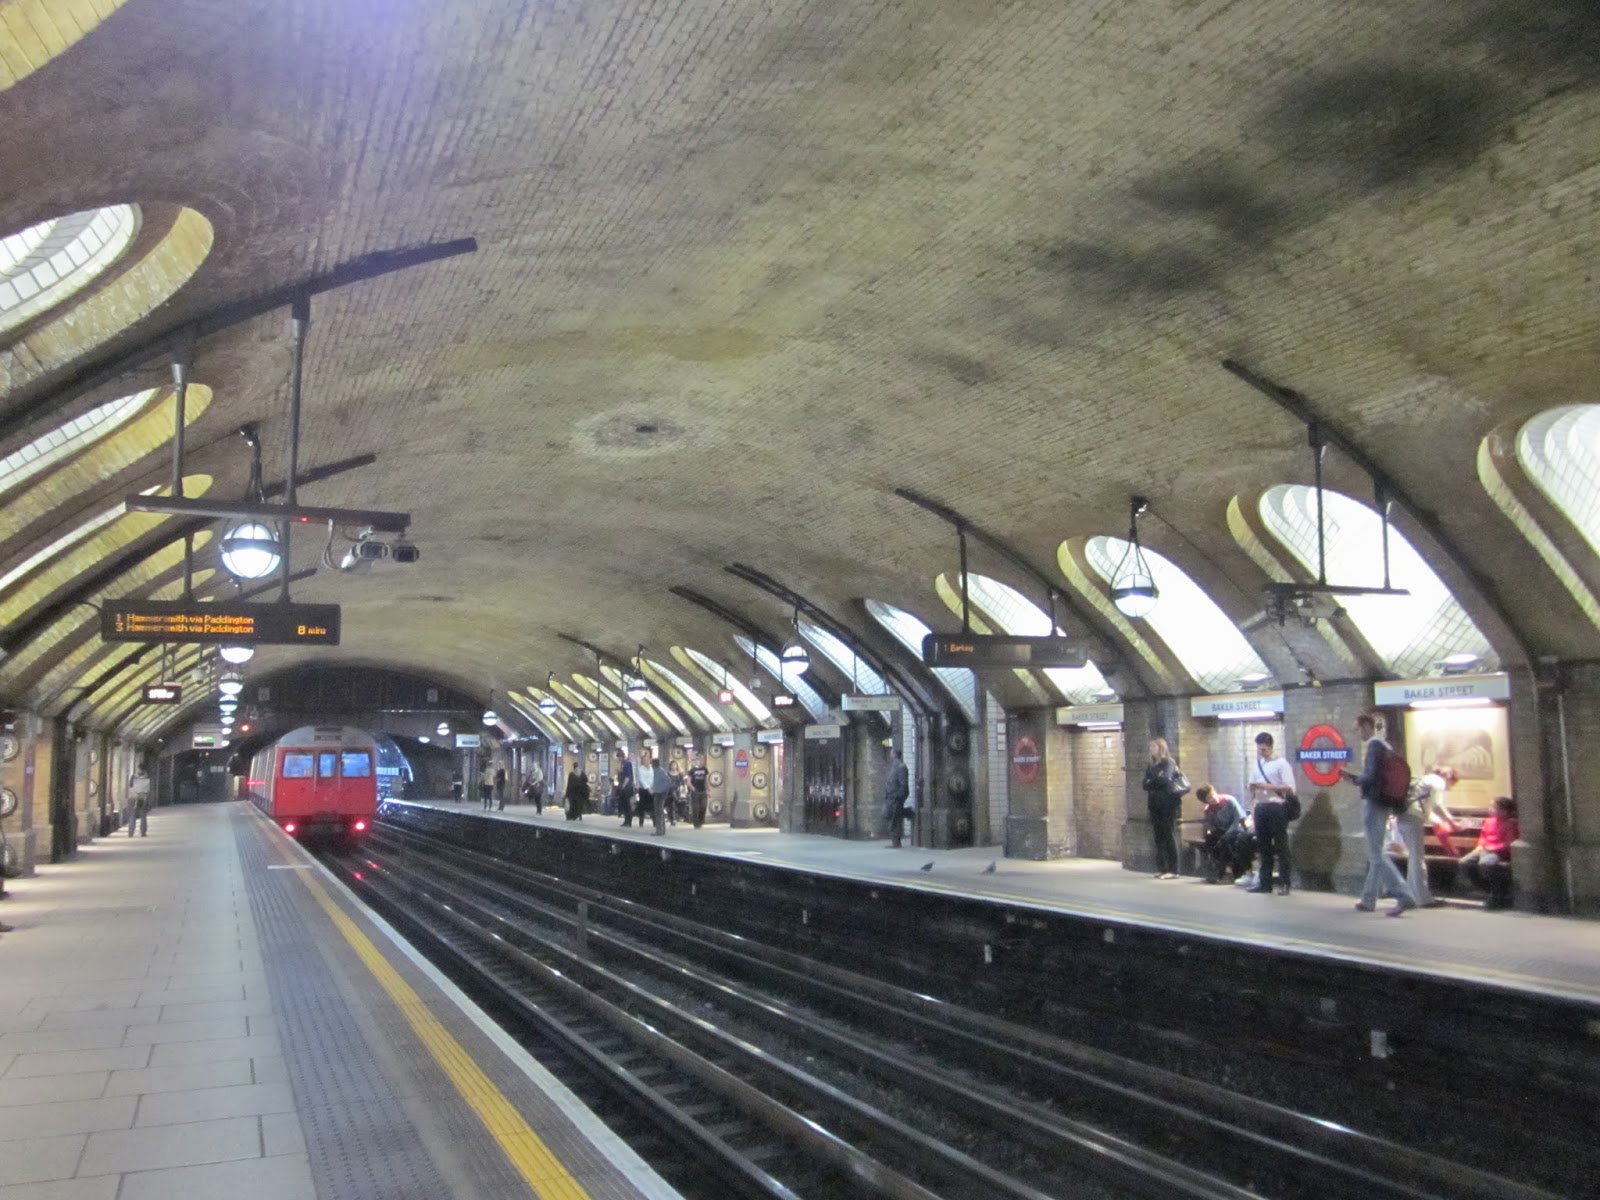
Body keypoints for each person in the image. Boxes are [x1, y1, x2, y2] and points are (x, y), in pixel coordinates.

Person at [1341, 713, 1418, 916]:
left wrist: (1352, 779)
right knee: (1376, 853)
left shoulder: (1374, 746)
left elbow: (1371, 777)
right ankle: (1368, 899)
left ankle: (1404, 895)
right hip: (1384, 802)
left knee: (1376, 853)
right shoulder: (1385, 746)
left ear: (1366, 726)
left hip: (1374, 802)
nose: (1357, 735)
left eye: (1357, 729)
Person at [1396, 765, 1459, 907]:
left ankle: (1412, 895)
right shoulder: (1438, 781)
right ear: (1448, 777)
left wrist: (1442, 822)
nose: (1449, 786)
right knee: (1417, 859)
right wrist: (1453, 822)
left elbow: (1429, 811)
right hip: (1413, 817)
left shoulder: (1424, 780)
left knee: (1413, 858)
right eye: (1451, 783)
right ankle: (1424, 899)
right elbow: (1438, 806)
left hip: (1404, 816)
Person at [1246, 731, 1297, 895]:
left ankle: (1284, 883)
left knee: (1281, 847)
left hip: (1277, 807)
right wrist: (1252, 790)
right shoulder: (1257, 764)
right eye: (1259, 749)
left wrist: (1266, 786)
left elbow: (1290, 787)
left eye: (1264, 749)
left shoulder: (1282, 764)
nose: (1262, 752)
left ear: (1271, 747)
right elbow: (1252, 786)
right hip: (1261, 807)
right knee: (1263, 847)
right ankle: (1265, 883)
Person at [1460, 797, 1518, 910]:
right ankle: (1485, 888)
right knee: (1464, 863)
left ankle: (1496, 893)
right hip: (1484, 848)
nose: (1490, 809)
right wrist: (1479, 846)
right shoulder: (1489, 821)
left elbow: (1509, 842)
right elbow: (1483, 836)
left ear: (1504, 811)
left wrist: (1493, 848)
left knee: (1485, 864)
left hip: (1498, 852)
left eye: (1494, 807)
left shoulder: (1510, 824)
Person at [1141, 738, 1187, 879]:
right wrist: (1154, 780)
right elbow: (1144, 784)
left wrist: (1152, 781)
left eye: (1153, 747)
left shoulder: (1169, 762)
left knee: (1168, 835)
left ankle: (1173, 870)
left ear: (1161, 748)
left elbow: (1166, 779)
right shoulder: (1152, 765)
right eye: (1150, 747)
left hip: (1168, 805)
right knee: (1158, 837)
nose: (1151, 749)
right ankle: (1163, 868)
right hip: (1154, 805)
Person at [1197, 785, 1250, 884]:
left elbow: (1238, 819)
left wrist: (1228, 833)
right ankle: (1216, 870)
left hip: (1236, 829)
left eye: (1212, 795)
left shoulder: (1229, 801)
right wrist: (1211, 829)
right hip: (1222, 830)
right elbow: (1210, 824)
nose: (1212, 799)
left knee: (1225, 841)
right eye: (1209, 798)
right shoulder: (1209, 809)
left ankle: (1231, 872)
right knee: (1210, 840)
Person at [882, 750, 911, 848]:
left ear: (894, 755)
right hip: (892, 797)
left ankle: (896, 843)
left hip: (896, 798)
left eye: (891, 753)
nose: (890, 755)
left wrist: (898, 796)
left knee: (895, 820)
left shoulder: (900, 767)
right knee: (890, 816)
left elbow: (903, 785)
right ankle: (908, 812)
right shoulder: (894, 766)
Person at [650, 753, 673, 835]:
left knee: (658, 812)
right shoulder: (659, 771)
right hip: (659, 792)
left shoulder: (659, 771)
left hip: (659, 794)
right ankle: (662, 830)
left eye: (652, 763)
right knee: (659, 812)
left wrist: (662, 790)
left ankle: (659, 830)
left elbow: (668, 781)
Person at [632, 752, 656, 829]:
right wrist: (648, 788)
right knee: (642, 806)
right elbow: (641, 779)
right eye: (644, 760)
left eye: (648, 759)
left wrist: (653, 787)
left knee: (653, 806)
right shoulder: (640, 769)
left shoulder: (653, 768)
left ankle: (655, 822)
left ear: (650, 760)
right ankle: (641, 821)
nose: (646, 761)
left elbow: (654, 778)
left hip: (652, 789)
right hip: (643, 790)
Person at [127, 766, 152, 838]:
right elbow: (148, 789)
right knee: (143, 815)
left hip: (133, 797)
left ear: (138, 769)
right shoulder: (147, 777)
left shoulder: (133, 777)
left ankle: (131, 832)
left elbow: (130, 786)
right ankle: (143, 832)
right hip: (142, 797)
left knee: (132, 815)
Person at [611, 748, 635, 822]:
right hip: (623, 786)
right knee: (624, 804)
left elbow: (628, 777)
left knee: (627, 804)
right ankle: (626, 820)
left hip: (626, 787)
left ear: (621, 757)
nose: (618, 759)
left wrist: (623, 786)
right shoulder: (623, 764)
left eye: (619, 758)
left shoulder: (627, 764)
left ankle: (628, 820)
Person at [688, 755, 709, 828]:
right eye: (700, 760)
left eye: (703, 760)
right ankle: (696, 823)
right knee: (695, 808)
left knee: (703, 806)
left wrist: (708, 789)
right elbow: (688, 781)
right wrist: (692, 788)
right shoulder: (692, 770)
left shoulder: (705, 769)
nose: (702, 761)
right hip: (695, 791)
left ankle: (701, 821)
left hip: (703, 791)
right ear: (697, 760)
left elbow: (706, 780)